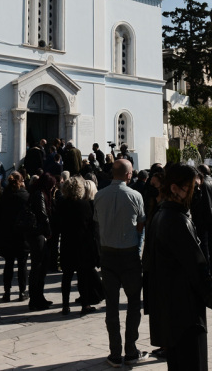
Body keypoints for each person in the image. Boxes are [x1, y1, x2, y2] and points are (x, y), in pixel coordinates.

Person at [144, 163, 212, 370]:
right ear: (175, 188)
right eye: (193, 187)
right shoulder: (175, 219)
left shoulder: (163, 214)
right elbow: (194, 266)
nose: (198, 192)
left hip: (172, 311)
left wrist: (210, 284)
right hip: (185, 314)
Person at [94, 158, 147, 368]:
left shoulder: (99, 195)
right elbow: (141, 223)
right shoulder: (135, 195)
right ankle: (131, 349)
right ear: (128, 174)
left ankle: (115, 352)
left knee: (112, 304)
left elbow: (97, 223)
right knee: (133, 302)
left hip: (108, 253)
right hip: (129, 253)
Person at [58, 176, 99, 316]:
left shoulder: (61, 204)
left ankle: (65, 305)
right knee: (83, 276)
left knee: (66, 276)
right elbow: (91, 226)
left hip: (67, 243)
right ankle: (85, 304)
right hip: (83, 243)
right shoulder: (85, 205)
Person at [0, 172, 30, 302]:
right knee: (22, 265)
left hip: (8, 233)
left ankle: (7, 292)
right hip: (22, 234)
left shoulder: (4, 196)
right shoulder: (25, 196)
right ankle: (22, 291)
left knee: (8, 264)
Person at [26, 173, 55, 311]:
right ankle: (35, 298)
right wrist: (49, 232)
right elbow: (43, 215)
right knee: (38, 266)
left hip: (37, 233)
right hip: (38, 233)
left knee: (41, 266)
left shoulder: (36, 192)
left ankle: (39, 296)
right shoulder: (40, 195)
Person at [190, 164, 212, 276]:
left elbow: (196, 201)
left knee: (204, 243)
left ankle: (207, 268)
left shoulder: (201, 183)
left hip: (202, 217)